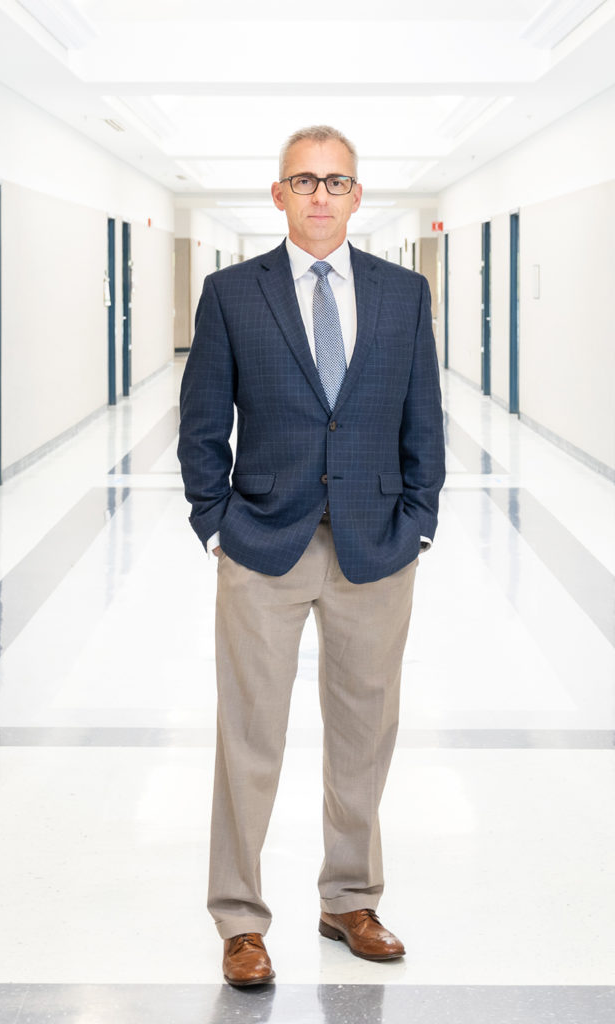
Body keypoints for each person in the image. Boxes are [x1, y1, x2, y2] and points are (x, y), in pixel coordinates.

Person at [177, 125, 445, 987]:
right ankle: (240, 919)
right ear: (279, 195)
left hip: (376, 547)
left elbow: (423, 422)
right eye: (304, 181)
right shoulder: (230, 294)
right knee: (249, 736)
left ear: (358, 196)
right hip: (263, 546)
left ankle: (350, 899)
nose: (321, 196)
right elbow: (200, 424)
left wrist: (420, 522)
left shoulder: (404, 295)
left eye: (336, 182)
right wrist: (217, 524)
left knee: (365, 735)